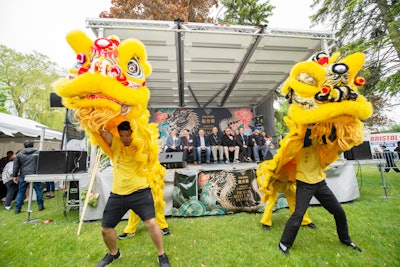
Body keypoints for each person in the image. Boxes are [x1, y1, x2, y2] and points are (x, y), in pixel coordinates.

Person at [278, 125, 361, 255]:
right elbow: (306, 139)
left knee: (339, 212)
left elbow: (332, 136)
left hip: (320, 183)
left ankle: (346, 240)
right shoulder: (298, 143)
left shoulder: (319, 140)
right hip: (304, 184)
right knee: (298, 215)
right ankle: (284, 243)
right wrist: (310, 123)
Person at [98, 121, 170, 267]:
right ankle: (114, 253)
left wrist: (129, 111)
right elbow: (100, 130)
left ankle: (162, 254)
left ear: (133, 133)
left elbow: (142, 130)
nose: (125, 138)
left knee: (151, 223)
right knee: (105, 229)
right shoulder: (115, 142)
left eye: (128, 135)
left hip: (140, 191)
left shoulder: (140, 143)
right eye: (122, 135)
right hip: (118, 193)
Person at [12, 140, 45, 214]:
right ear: (33, 145)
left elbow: (16, 166)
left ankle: (17, 208)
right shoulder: (38, 152)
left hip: (24, 175)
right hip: (35, 174)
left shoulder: (19, 154)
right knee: (38, 190)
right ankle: (40, 205)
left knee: (21, 191)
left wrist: (14, 175)